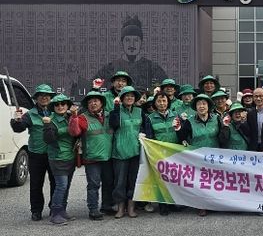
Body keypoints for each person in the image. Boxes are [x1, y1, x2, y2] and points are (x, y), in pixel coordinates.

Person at [9, 83, 57, 221]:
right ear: (36, 98)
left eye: (47, 95)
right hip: (36, 154)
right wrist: (16, 120)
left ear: (50, 98)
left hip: (54, 153)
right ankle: (36, 210)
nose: (44, 98)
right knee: (36, 184)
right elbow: (19, 128)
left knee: (56, 183)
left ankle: (55, 208)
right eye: (41, 95)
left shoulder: (56, 111)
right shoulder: (30, 114)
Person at [68, 90, 114, 221]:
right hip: (92, 158)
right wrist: (74, 117)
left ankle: (106, 206)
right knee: (93, 185)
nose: (93, 104)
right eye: (90, 102)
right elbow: (74, 132)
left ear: (101, 103)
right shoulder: (82, 118)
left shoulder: (110, 116)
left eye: (96, 101)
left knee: (108, 183)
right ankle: (93, 209)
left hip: (108, 156)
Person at [93, 15, 168, 93]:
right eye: (127, 40)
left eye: (136, 40)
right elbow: (93, 87)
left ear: (141, 42)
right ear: (122, 43)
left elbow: (167, 88)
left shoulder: (152, 68)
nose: (132, 45)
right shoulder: (110, 68)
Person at [109, 86, 147, 219]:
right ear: (122, 98)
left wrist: (144, 135)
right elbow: (113, 124)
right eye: (127, 96)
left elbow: (145, 127)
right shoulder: (116, 111)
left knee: (133, 180)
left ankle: (131, 207)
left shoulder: (140, 111)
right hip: (120, 152)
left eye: (132, 96)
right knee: (119, 181)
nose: (129, 98)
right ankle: (120, 207)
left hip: (135, 151)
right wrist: (116, 108)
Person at [42, 94, 77, 225]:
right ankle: (55, 213)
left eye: (63, 104)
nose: (60, 106)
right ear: (53, 107)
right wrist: (47, 126)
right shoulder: (50, 120)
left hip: (70, 157)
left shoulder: (70, 117)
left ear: (67, 105)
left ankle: (62, 211)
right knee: (61, 186)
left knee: (66, 186)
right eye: (57, 104)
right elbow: (48, 139)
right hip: (58, 158)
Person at [143, 92, 180, 216]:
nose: (162, 103)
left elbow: (181, 132)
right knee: (161, 179)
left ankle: (172, 203)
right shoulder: (150, 118)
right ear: (155, 103)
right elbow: (150, 137)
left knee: (173, 178)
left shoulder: (176, 115)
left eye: (164, 101)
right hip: (158, 153)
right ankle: (162, 204)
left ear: (168, 102)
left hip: (174, 152)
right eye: (159, 101)